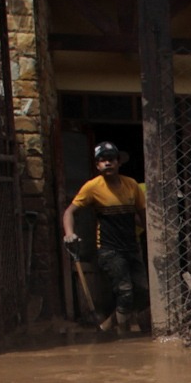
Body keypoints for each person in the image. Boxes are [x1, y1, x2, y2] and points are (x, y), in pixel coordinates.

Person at [62, 141, 147, 332]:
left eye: (111, 159)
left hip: (132, 245)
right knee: (125, 292)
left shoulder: (131, 185)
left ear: (118, 162)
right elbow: (69, 212)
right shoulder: (92, 187)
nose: (107, 163)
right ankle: (123, 335)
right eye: (102, 160)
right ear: (97, 165)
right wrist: (69, 233)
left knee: (143, 291)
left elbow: (142, 214)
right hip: (109, 249)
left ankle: (107, 326)